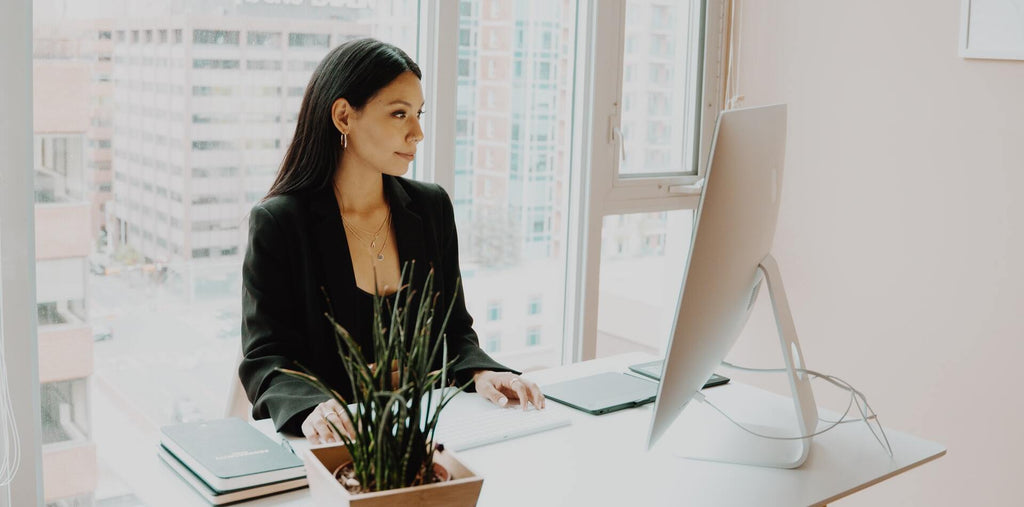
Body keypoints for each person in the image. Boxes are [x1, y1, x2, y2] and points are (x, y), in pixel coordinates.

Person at [240, 38, 545, 445]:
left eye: (418, 114)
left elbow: (454, 330)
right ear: (344, 116)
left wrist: (480, 372)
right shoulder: (280, 223)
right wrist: (312, 406)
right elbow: (266, 356)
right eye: (399, 114)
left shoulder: (431, 207)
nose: (417, 132)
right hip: (338, 444)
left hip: (431, 433)